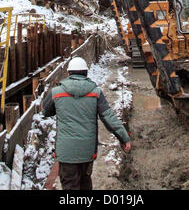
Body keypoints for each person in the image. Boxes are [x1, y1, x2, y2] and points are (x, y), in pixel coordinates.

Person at [42, 56, 131, 190]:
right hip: (87, 151)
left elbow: (46, 111)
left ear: (68, 73)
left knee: (69, 185)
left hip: (66, 152)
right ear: (86, 73)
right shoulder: (95, 93)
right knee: (85, 182)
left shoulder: (56, 92)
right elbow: (108, 117)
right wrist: (124, 138)